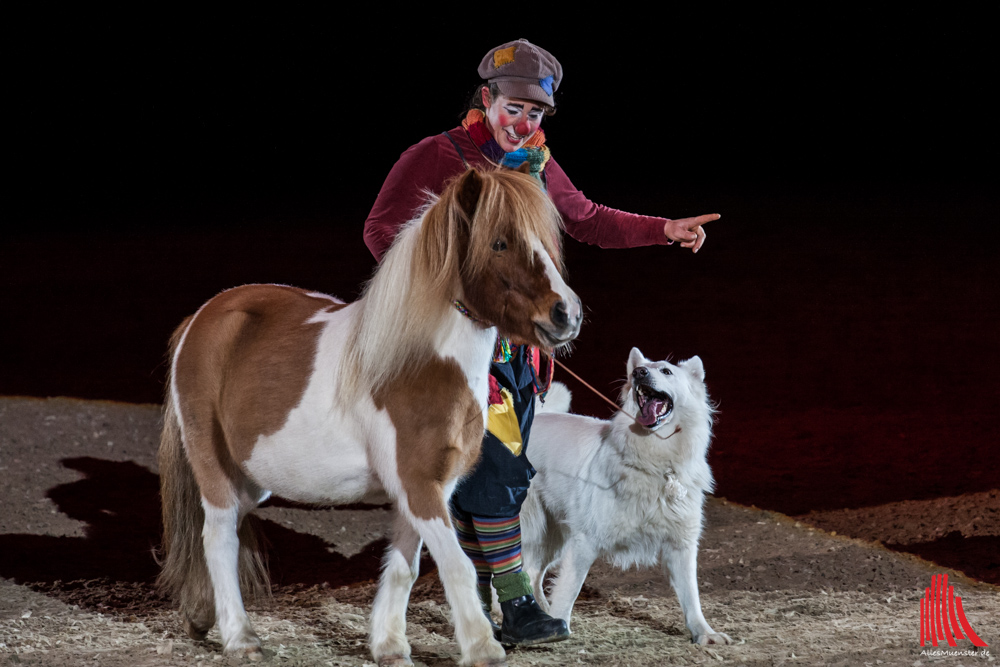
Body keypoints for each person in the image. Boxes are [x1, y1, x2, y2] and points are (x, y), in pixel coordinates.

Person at [363, 39, 718, 645]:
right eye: (513, 109)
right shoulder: (437, 156)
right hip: (454, 351)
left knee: (496, 474)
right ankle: (517, 605)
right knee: (497, 468)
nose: (524, 123)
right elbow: (380, 232)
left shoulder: (538, 164)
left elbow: (586, 218)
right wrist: (449, 294)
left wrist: (663, 229)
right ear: (487, 98)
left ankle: (474, 593)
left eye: (536, 114)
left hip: (524, 351)